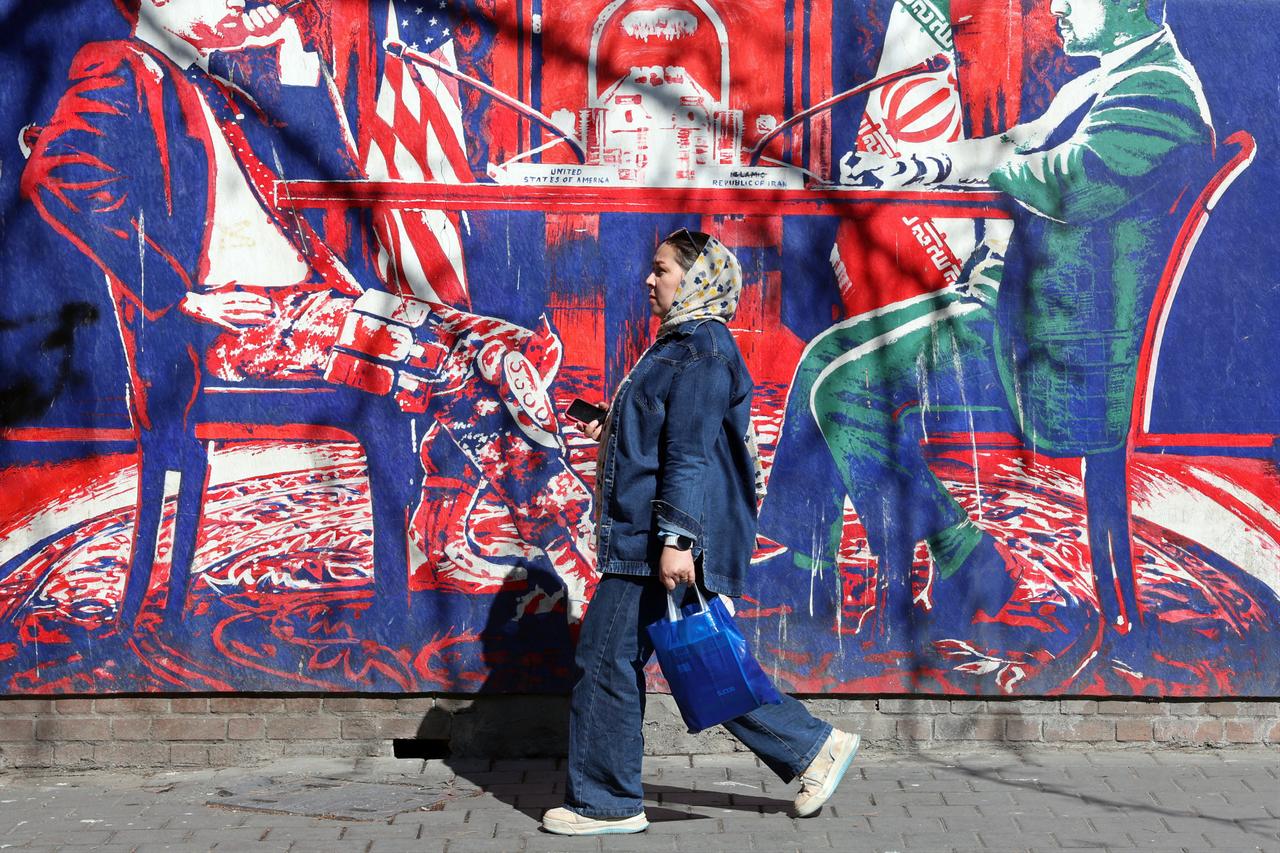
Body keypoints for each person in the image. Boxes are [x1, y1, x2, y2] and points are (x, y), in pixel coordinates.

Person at [20, 0, 598, 635]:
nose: (237, 3)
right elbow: (56, 173)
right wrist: (181, 296)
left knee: (508, 348)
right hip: (232, 327)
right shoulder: (122, 67)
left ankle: (447, 531)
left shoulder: (213, 81)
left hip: (307, 307)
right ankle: (572, 559)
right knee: (460, 362)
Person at [759, 0, 1215, 648]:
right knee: (820, 358)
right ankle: (808, 573)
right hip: (1006, 306)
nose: (1055, 6)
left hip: (1046, 344)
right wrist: (918, 168)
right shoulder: (1103, 80)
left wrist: (982, 171)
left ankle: (959, 557)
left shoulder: (1160, 93)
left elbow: (1066, 184)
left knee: (843, 389)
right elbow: (1014, 149)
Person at [540, 230, 860, 836]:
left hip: (658, 537)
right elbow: (670, 439)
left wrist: (677, 540)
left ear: (696, 277)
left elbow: (690, 454)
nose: (648, 280)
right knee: (696, 660)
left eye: (660, 269)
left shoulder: (702, 350)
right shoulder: (678, 346)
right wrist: (615, 427)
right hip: (648, 531)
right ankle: (812, 747)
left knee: (616, 659)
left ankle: (607, 802)